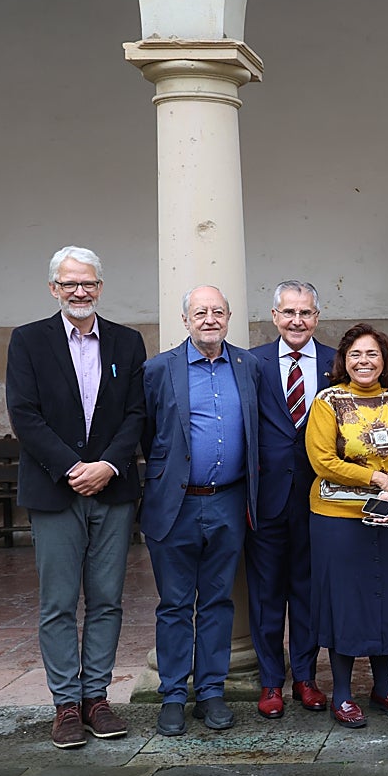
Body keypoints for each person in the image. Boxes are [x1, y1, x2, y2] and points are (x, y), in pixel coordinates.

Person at [5, 246, 146, 749]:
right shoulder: (28, 340)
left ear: (100, 287)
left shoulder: (127, 342)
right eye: (70, 284)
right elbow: (24, 414)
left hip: (112, 489)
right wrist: (72, 467)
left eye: (88, 283)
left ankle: (96, 699)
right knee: (59, 602)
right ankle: (66, 704)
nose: (79, 291)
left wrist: (107, 465)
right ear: (54, 289)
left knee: (107, 600)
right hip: (54, 490)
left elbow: (137, 413)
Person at [140, 285, 260, 737]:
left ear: (228, 317)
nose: (210, 319)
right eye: (200, 312)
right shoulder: (158, 369)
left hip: (228, 500)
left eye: (218, 312)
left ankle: (211, 691)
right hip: (176, 504)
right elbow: (147, 433)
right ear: (185, 320)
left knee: (217, 601)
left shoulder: (248, 366)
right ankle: (173, 694)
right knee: (174, 603)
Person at [305, 323, 388, 728]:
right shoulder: (328, 402)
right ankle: (341, 693)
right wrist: (377, 479)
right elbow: (323, 460)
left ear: (384, 360)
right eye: (355, 354)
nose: (364, 361)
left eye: (372, 354)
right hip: (338, 519)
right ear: (344, 360)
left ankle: (383, 688)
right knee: (346, 603)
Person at [246, 280, 333, 719]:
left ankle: (305, 677)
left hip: (320, 497)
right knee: (266, 594)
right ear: (275, 316)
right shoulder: (251, 363)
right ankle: (269, 681)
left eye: (305, 313)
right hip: (267, 497)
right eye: (289, 312)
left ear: (317, 317)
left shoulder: (338, 362)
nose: (297, 321)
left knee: (307, 591)